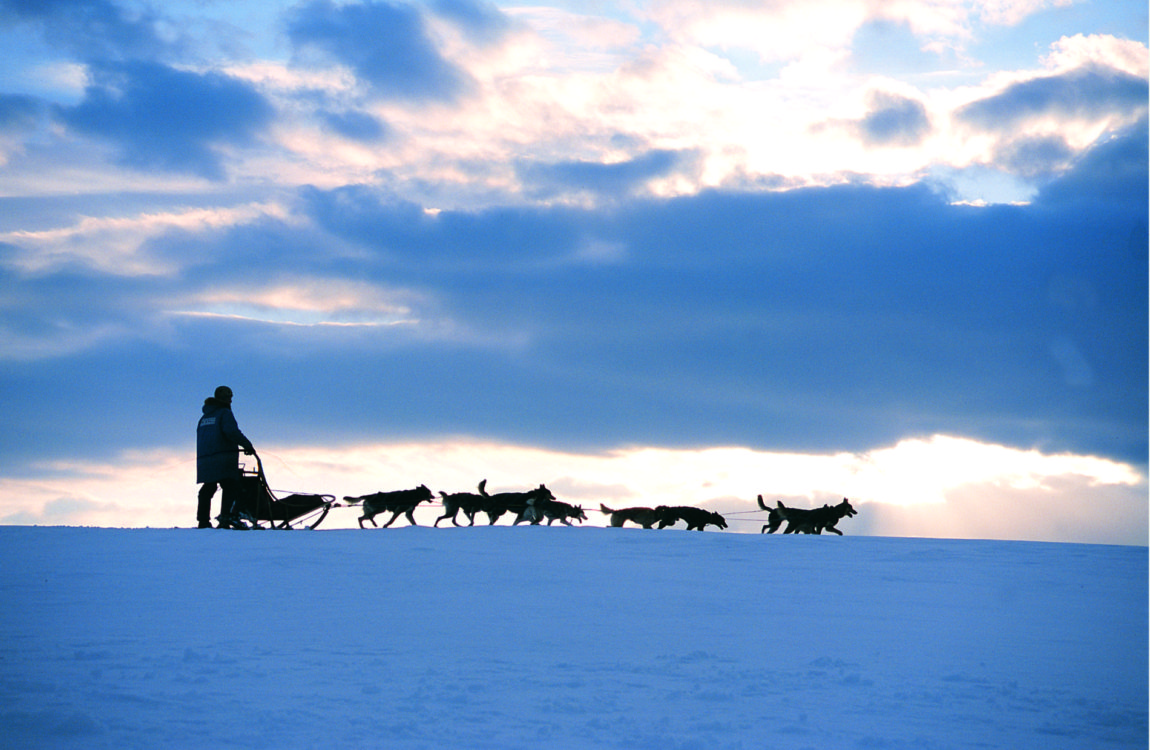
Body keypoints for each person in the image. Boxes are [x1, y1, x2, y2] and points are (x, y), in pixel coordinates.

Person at [196, 385, 255, 529]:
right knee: (231, 486)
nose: (230, 401)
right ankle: (227, 517)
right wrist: (247, 445)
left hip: (204, 459)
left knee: (208, 488)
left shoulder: (205, 417)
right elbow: (231, 432)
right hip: (223, 457)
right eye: (229, 397)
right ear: (224, 399)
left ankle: (203, 520)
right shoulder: (224, 413)